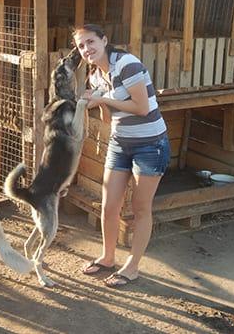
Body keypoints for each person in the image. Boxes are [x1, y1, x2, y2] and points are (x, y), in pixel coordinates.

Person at [73, 24, 170, 288]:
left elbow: (141, 107)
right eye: (81, 46)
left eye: (90, 42)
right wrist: (94, 102)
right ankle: (107, 257)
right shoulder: (95, 77)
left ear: (105, 40)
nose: (87, 49)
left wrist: (104, 100)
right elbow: (110, 118)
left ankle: (133, 266)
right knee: (109, 205)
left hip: (150, 144)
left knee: (140, 208)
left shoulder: (127, 64)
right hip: (120, 144)